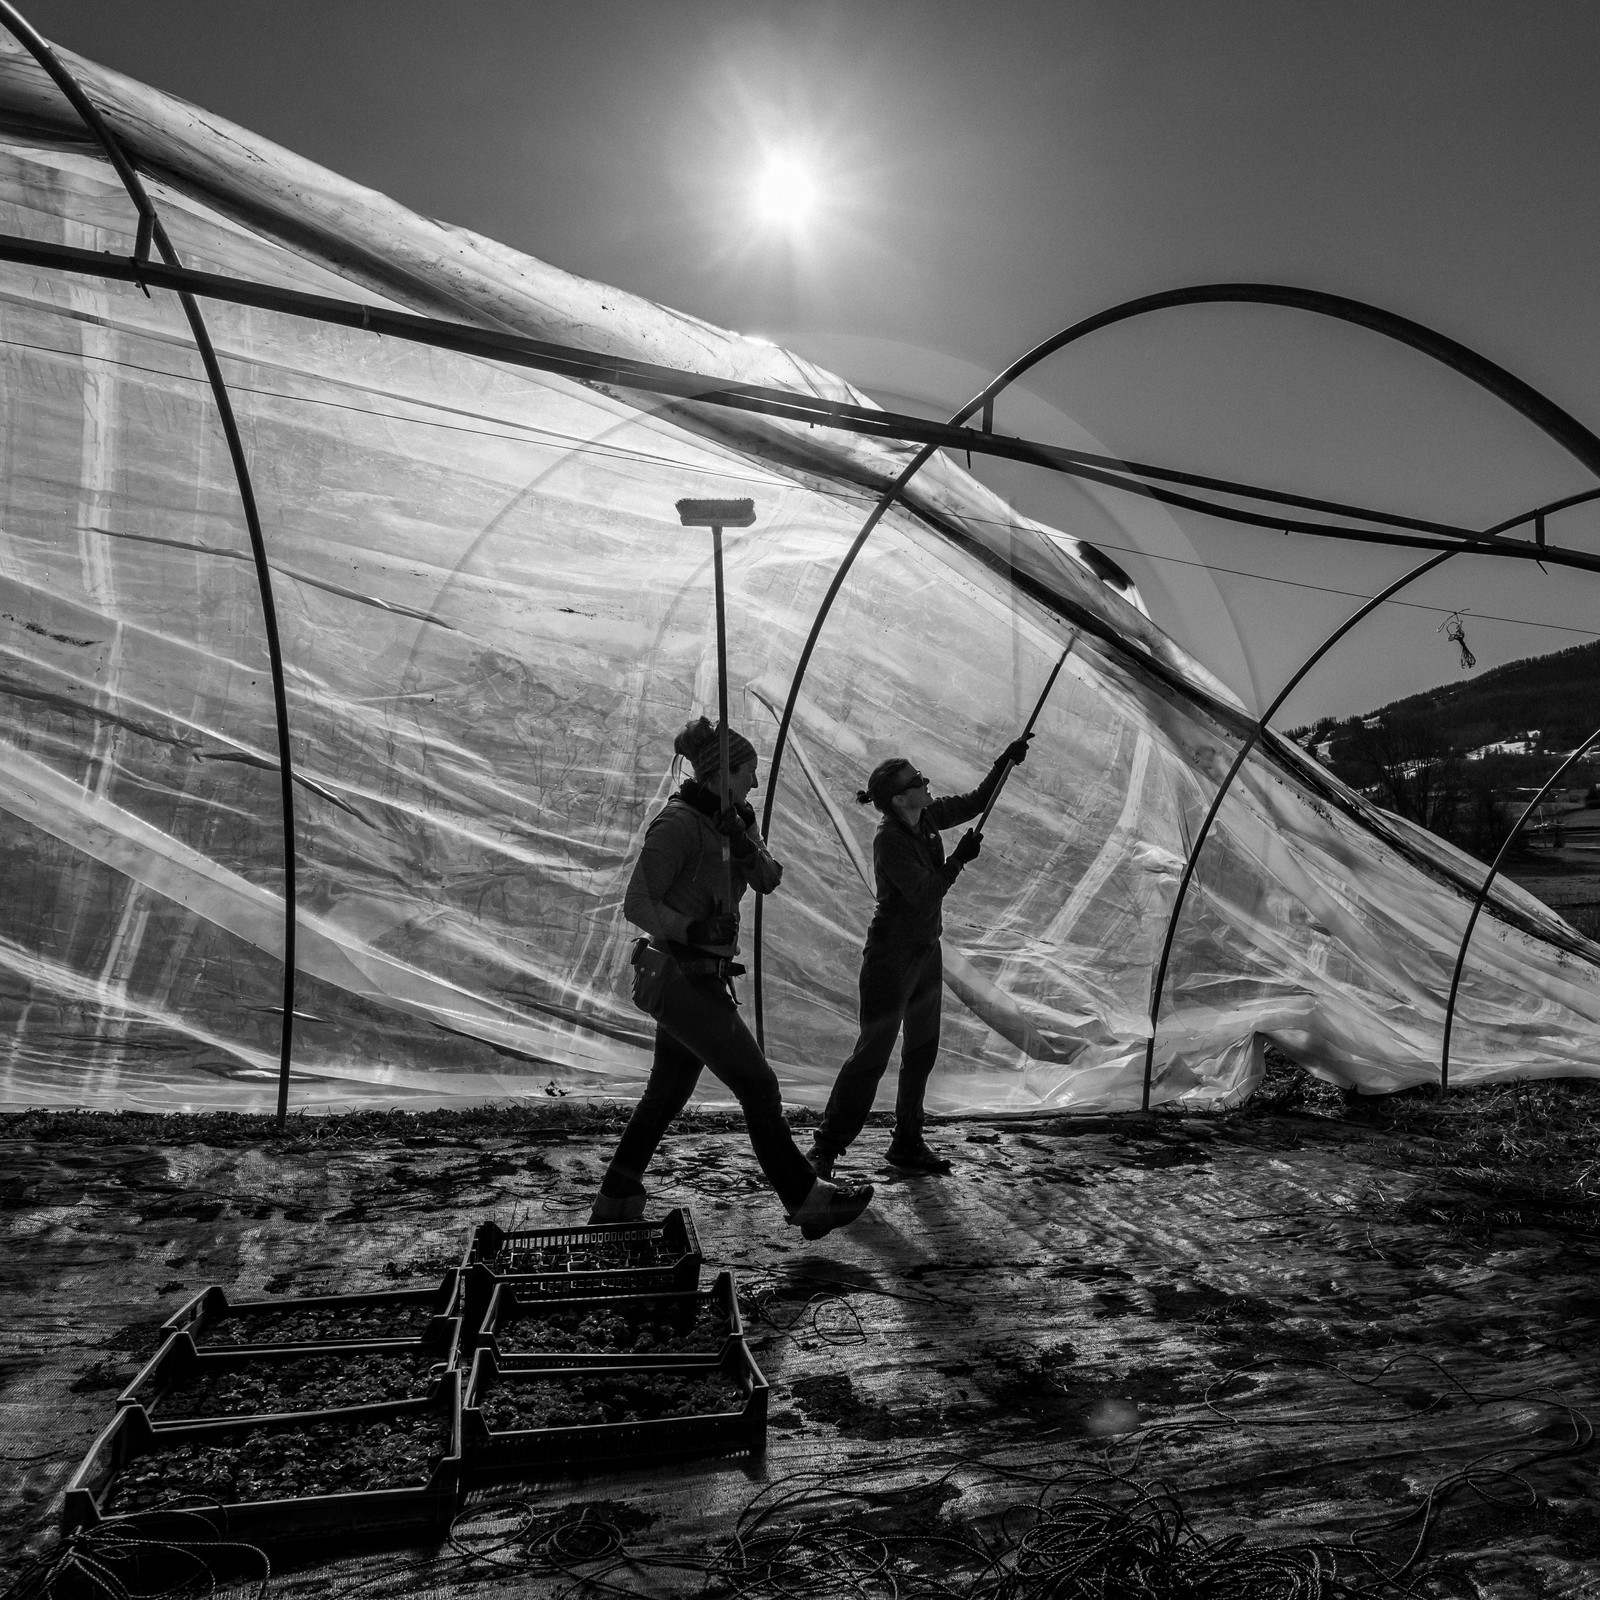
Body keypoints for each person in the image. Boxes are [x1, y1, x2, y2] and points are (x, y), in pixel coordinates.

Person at [591, 715, 874, 1239]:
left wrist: (742, 842)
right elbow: (637, 902)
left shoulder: (736, 818)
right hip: (679, 977)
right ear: (723, 774)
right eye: (749, 772)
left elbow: (767, 878)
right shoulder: (676, 824)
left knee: (666, 1096)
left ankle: (617, 1195)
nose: (756, 783)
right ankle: (807, 1199)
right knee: (760, 1087)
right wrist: (693, 925)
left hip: (702, 978)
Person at [807, 734, 1033, 1178]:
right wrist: (959, 861)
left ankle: (907, 1141)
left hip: (925, 952)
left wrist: (1004, 761)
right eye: (918, 780)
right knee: (872, 1054)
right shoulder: (890, 841)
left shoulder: (926, 816)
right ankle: (826, 1149)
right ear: (898, 798)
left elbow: (974, 802)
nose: (927, 783)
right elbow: (925, 895)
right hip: (892, 961)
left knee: (921, 1050)